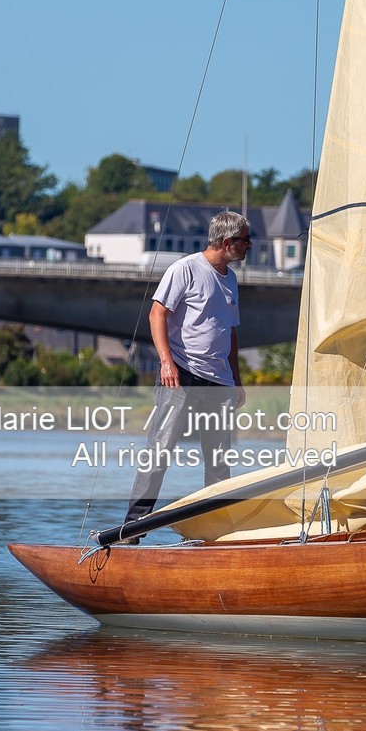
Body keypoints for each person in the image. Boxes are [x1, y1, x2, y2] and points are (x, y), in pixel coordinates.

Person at [121, 211, 251, 537]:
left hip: (219, 381)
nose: (249, 245)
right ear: (227, 242)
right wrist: (166, 362)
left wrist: (235, 379)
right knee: (159, 452)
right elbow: (157, 314)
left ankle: (216, 530)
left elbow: (229, 332)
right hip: (181, 375)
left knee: (219, 461)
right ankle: (133, 530)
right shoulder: (186, 269)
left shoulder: (231, 279)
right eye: (245, 239)